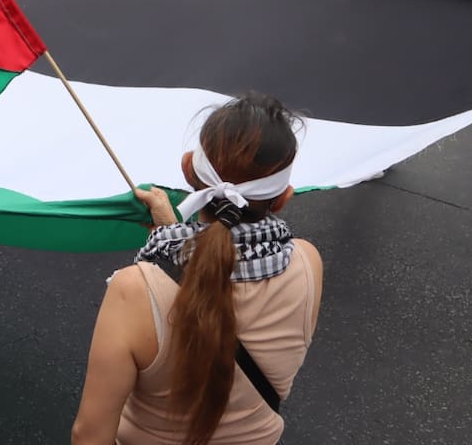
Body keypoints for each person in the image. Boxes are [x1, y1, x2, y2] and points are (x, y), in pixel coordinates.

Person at [72, 93, 322, 445]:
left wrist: (170, 238)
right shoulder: (308, 262)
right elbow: (216, 260)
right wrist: (171, 233)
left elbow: (90, 435)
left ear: (188, 168)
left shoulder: (134, 290)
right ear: (282, 198)